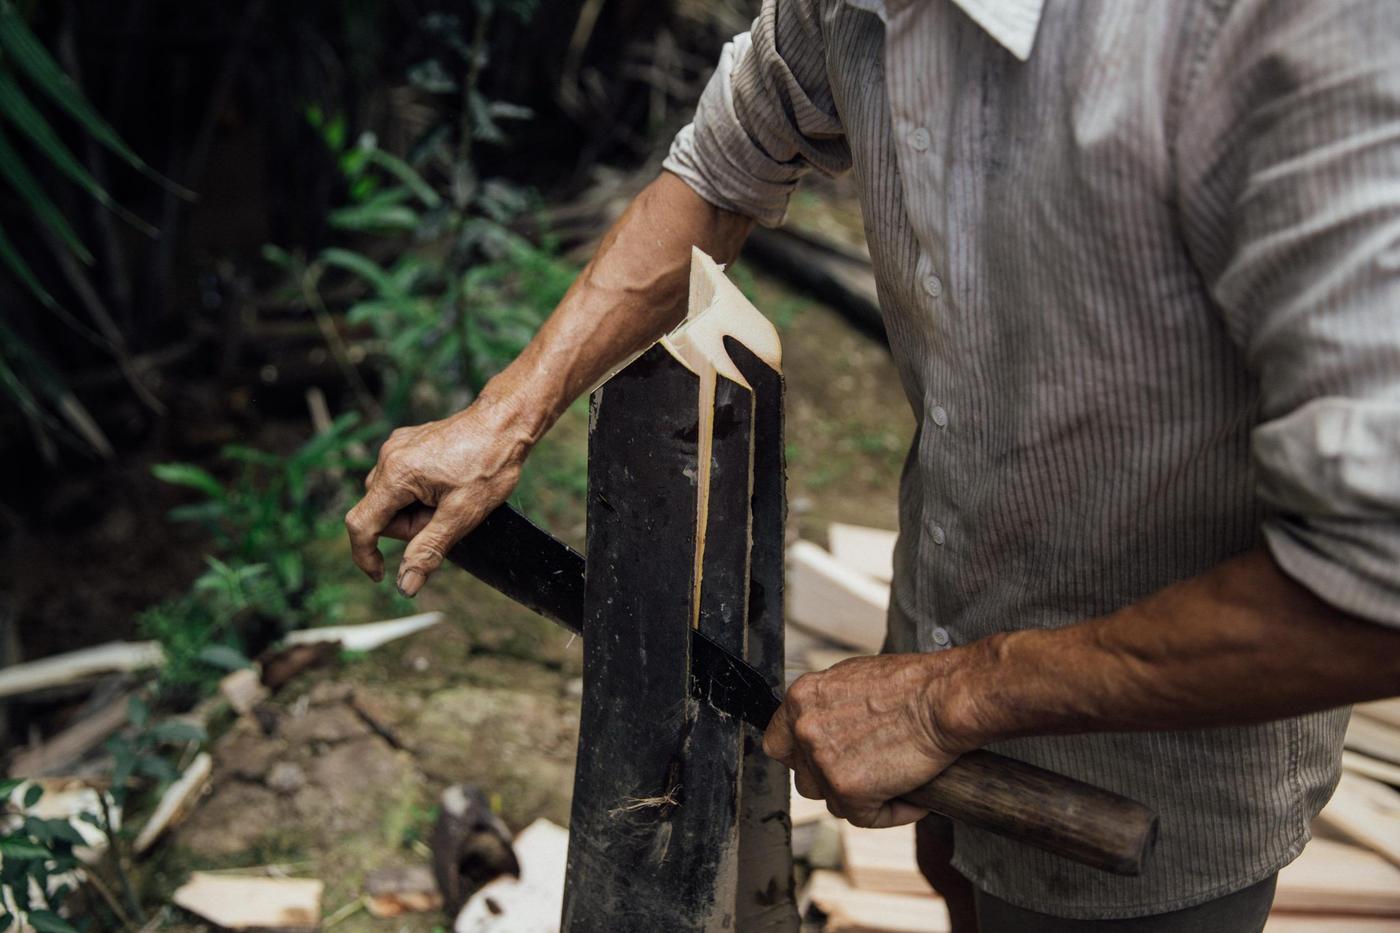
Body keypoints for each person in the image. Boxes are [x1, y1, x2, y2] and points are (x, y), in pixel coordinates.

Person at [346, 1, 1400, 929]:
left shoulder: (1290, 35)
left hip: (1152, 757)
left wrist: (945, 701)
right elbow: (723, 162)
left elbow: (1376, 586)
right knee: (954, 877)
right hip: (955, 605)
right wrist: (507, 413)